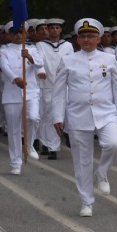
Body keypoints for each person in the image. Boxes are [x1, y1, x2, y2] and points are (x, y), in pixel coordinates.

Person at [52, 18, 117, 217]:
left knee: (113, 145)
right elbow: (59, 91)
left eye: (91, 36)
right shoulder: (68, 60)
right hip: (78, 114)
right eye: (83, 37)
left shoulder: (109, 59)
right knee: (82, 160)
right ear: (77, 39)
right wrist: (57, 117)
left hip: (106, 112)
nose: (87, 40)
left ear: (99, 38)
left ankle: (102, 172)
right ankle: (86, 201)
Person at [0, 21, 45, 174]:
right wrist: (15, 79)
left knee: (33, 117)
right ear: (9, 34)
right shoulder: (3, 51)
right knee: (14, 129)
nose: (18, 35)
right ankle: (15, 162)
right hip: (12, 93)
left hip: (30, 91)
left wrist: (30, 57)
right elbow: (4, 67)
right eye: (15, 32)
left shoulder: (32, 48)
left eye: (21, 32)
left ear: (26, 33)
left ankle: (29, 144)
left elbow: (40, 64)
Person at [36, 18, 74, 159]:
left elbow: (71, 62)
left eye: (57, 28)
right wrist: (40, 70)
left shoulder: (68, 45)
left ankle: (56, 143)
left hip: (63, 84)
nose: (54, 30)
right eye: (51, 28)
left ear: (61, 30)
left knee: (61, 114)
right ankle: (47, 144)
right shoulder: (41, 45)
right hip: (47, 84)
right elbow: (39, 59)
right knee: (46, 115)